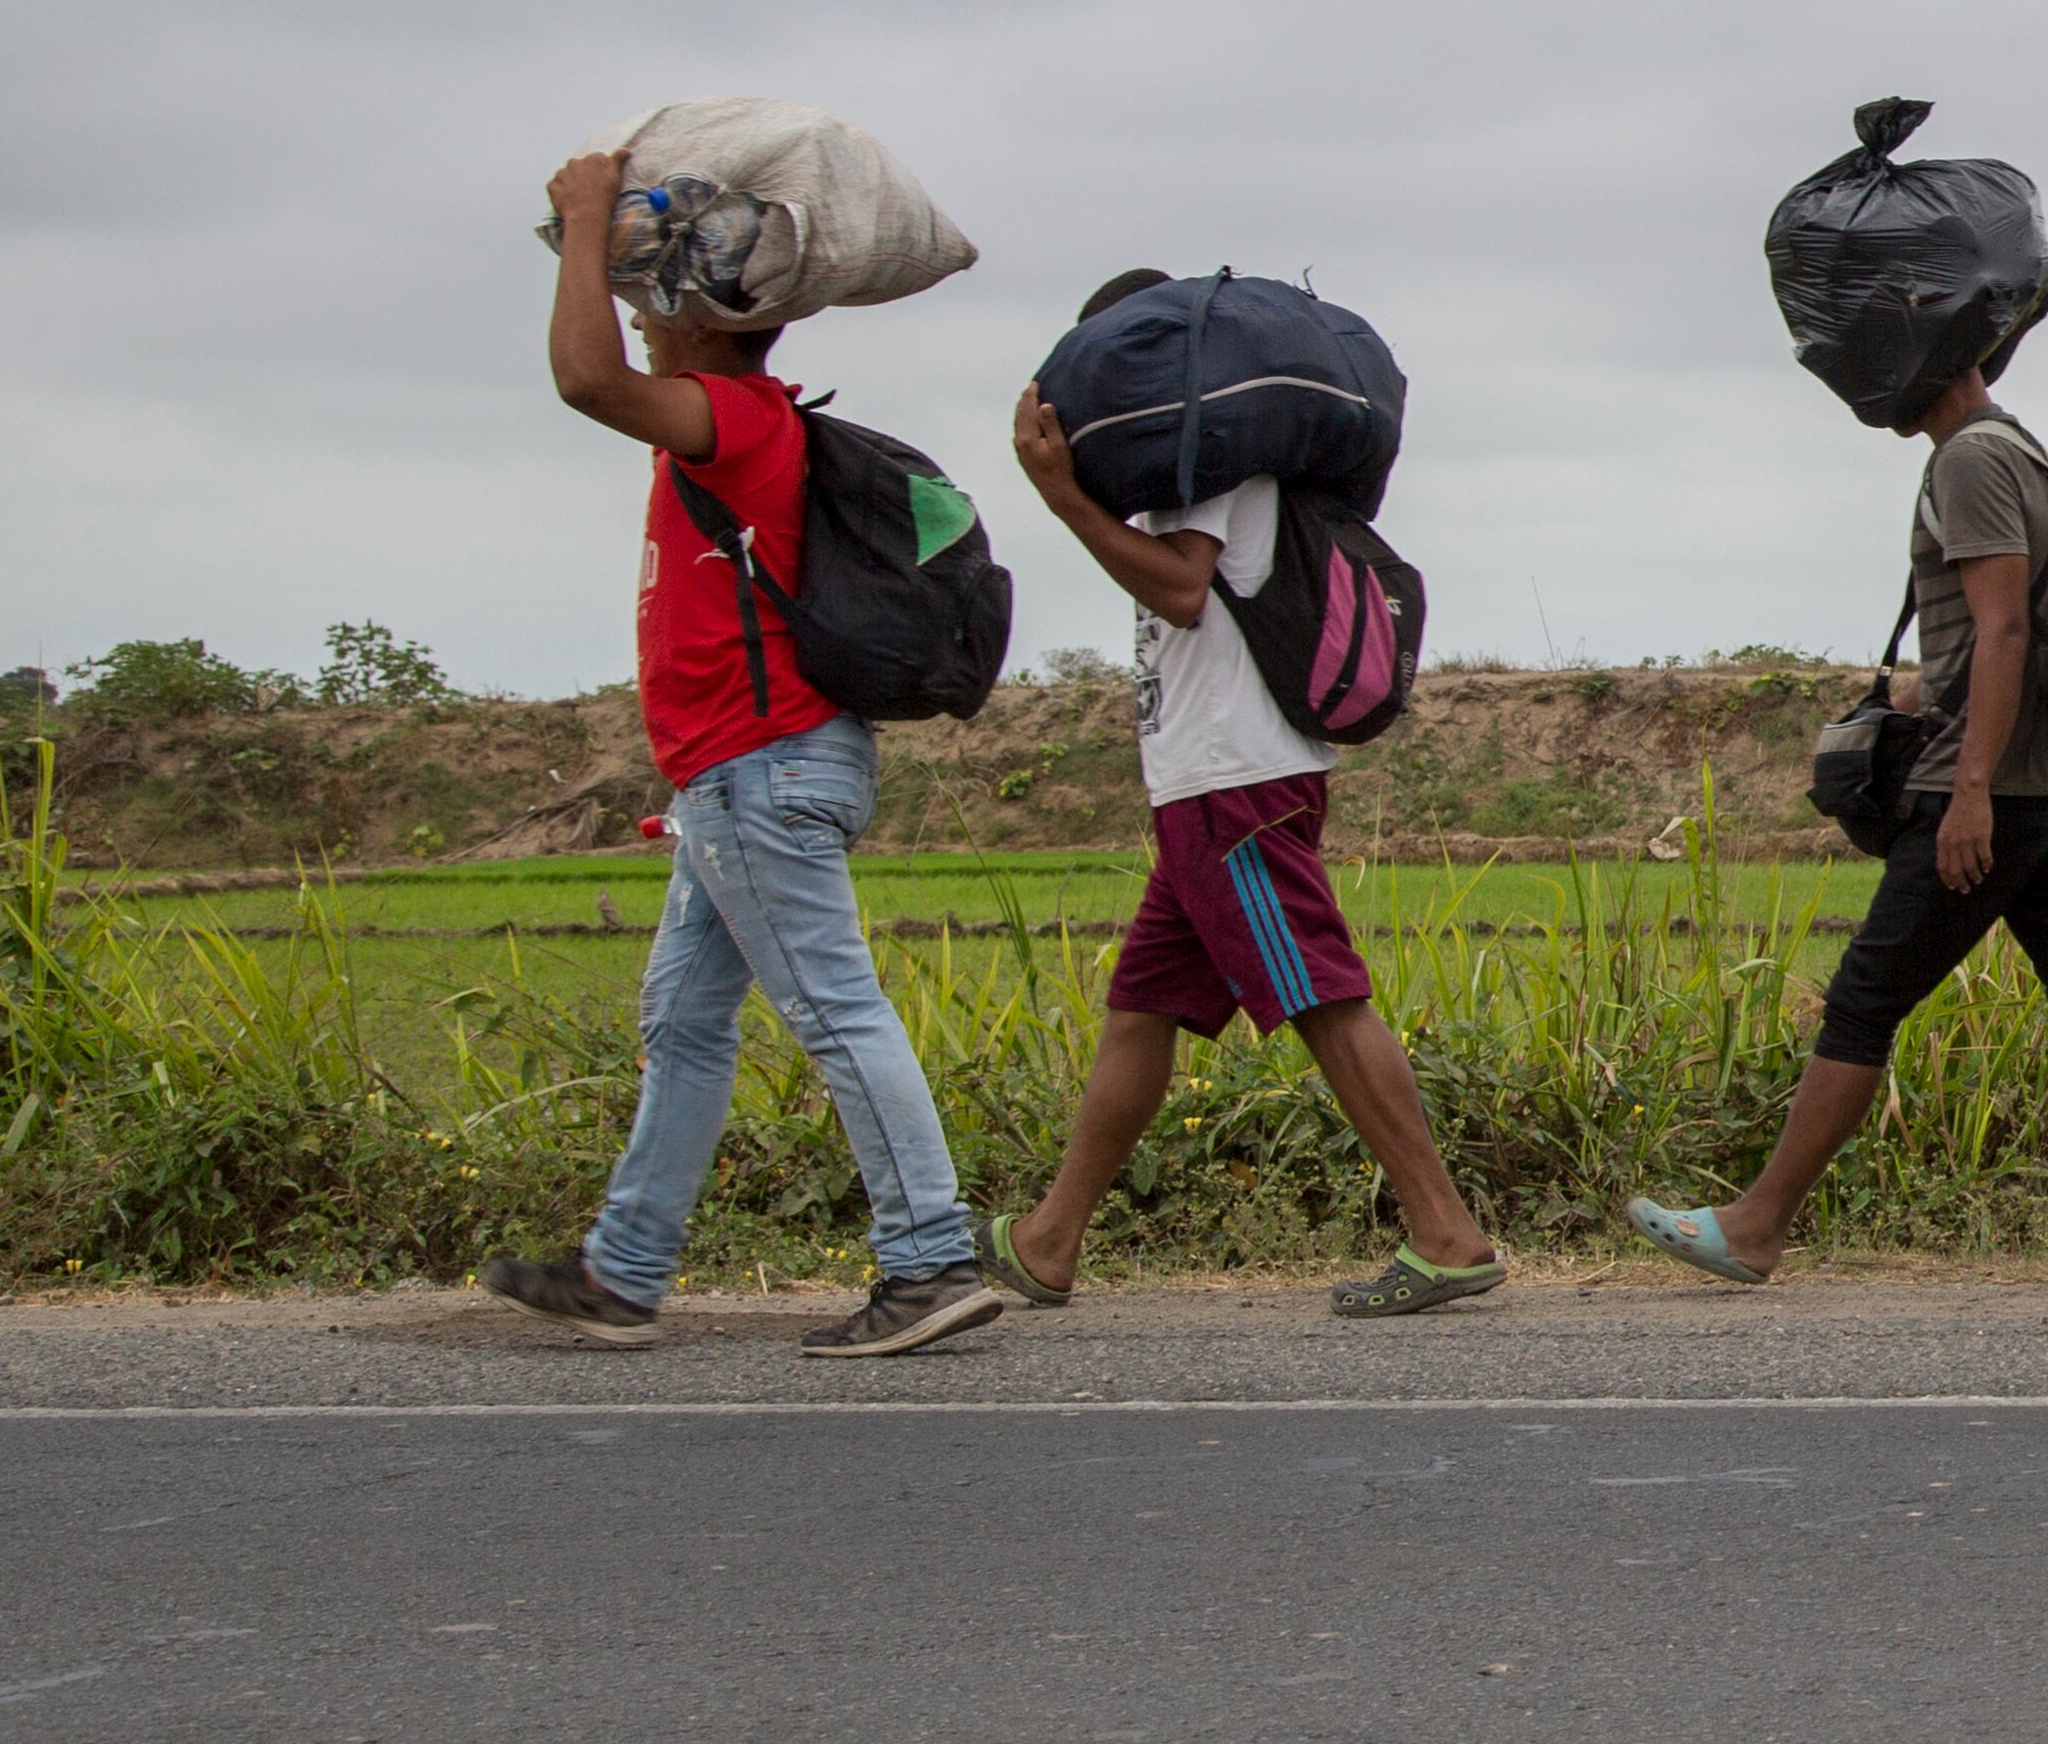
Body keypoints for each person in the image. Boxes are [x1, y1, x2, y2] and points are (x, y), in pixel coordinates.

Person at [482, 149, 1003, 1359]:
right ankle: (621, 1270)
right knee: (683, 1021)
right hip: (736, 777)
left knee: (831, 1007)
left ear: (699, 325)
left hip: (760, 767)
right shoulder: (733, 426)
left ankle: (928, 1261)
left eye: (650, 305)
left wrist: (577, 223)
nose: (634, 323)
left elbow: (581, 379)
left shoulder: (733, 419)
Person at [1623, 285, 2048, 1291]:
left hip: (1988, 789)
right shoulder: (2013, 445)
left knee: (1863, 998)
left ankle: (1756, 1225)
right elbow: (2001, 624)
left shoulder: (1971, 458)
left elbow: (2005, 629)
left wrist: (1969, 788)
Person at [981, 271, 1507, 1321]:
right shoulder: (1210, 476)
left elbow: (1178, 589)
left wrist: (1064, 499)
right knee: (1142, 1013)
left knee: (1317, 993)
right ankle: (1048, 1240)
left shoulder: (1216, 473)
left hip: (1236, 786)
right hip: (1203, 789)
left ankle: (1445, 1232)